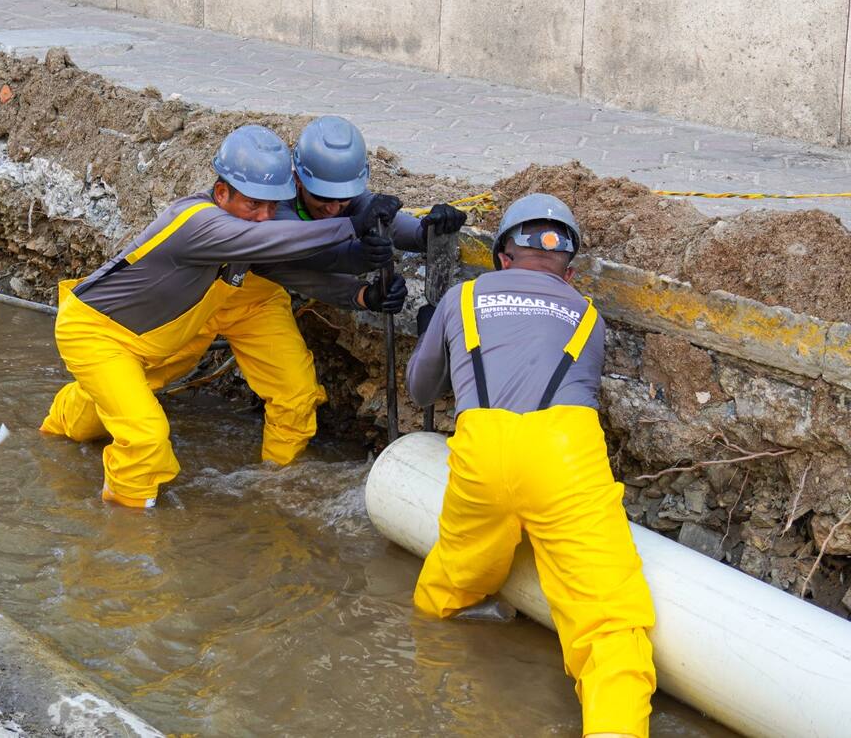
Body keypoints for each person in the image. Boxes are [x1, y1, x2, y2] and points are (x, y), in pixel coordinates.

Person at [40, 124, 401, 509]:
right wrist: (350, 226)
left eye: (270, 206)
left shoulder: (251, 227)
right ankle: (126, 538)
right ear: (221, 190)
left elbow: (285, 268)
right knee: (142, 436)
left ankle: (274, 491)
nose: (264, 216)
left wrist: (362, 294)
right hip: (99, 333)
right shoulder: (198, 222)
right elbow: (268, 240)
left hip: (180, 323)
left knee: (296, 396)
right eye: (253, 204)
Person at [405, 193, 656, 738]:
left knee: (453, 578)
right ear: (569, 266)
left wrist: (435, 330)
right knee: (609, 622)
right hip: (564, 455)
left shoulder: (462, 297)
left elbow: (421, 389)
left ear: (500, 256)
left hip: (481, 451)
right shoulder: (589, 315)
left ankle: (425, 672)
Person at [262, 115, 467, 314]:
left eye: (343, 198)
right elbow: (308, 252)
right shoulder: (271, 202)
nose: (333, 208)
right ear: (297, 178)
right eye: (321, 197)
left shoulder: (348, 194)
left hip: (271, 297)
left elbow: (383, 220)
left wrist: (426, 231)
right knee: (280, 259)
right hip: (246, 285)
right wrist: (359, 255)